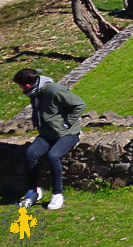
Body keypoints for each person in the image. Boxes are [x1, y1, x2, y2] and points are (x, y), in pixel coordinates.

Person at [14, 68, 85, 211]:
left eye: (20, 85)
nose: (19, 88)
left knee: (54, 155)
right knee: (30, 153)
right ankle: (34, 191)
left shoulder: (52, 90)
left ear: (27, 84)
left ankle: (57, 194)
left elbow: (79, 104)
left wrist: (67, 123)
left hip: (67, 133)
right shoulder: (34, 93)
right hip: (48, 134)